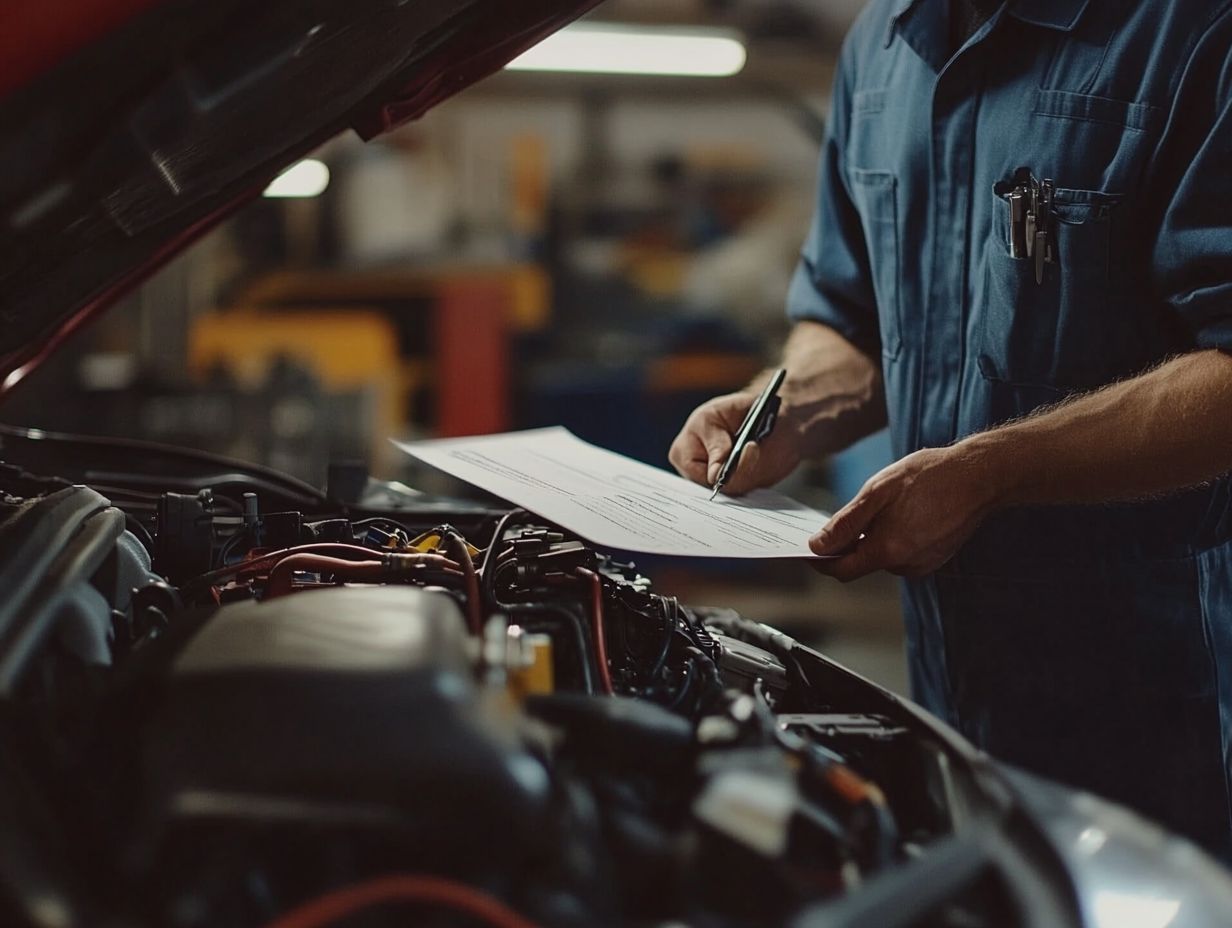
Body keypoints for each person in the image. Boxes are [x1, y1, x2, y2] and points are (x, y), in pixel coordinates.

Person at [669, 0, 1232, 858]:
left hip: (1174, 717)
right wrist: (786, 409)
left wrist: (993, 469)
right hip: (952, 690)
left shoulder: (1192, 33)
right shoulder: (884, 46)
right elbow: (852, 319)